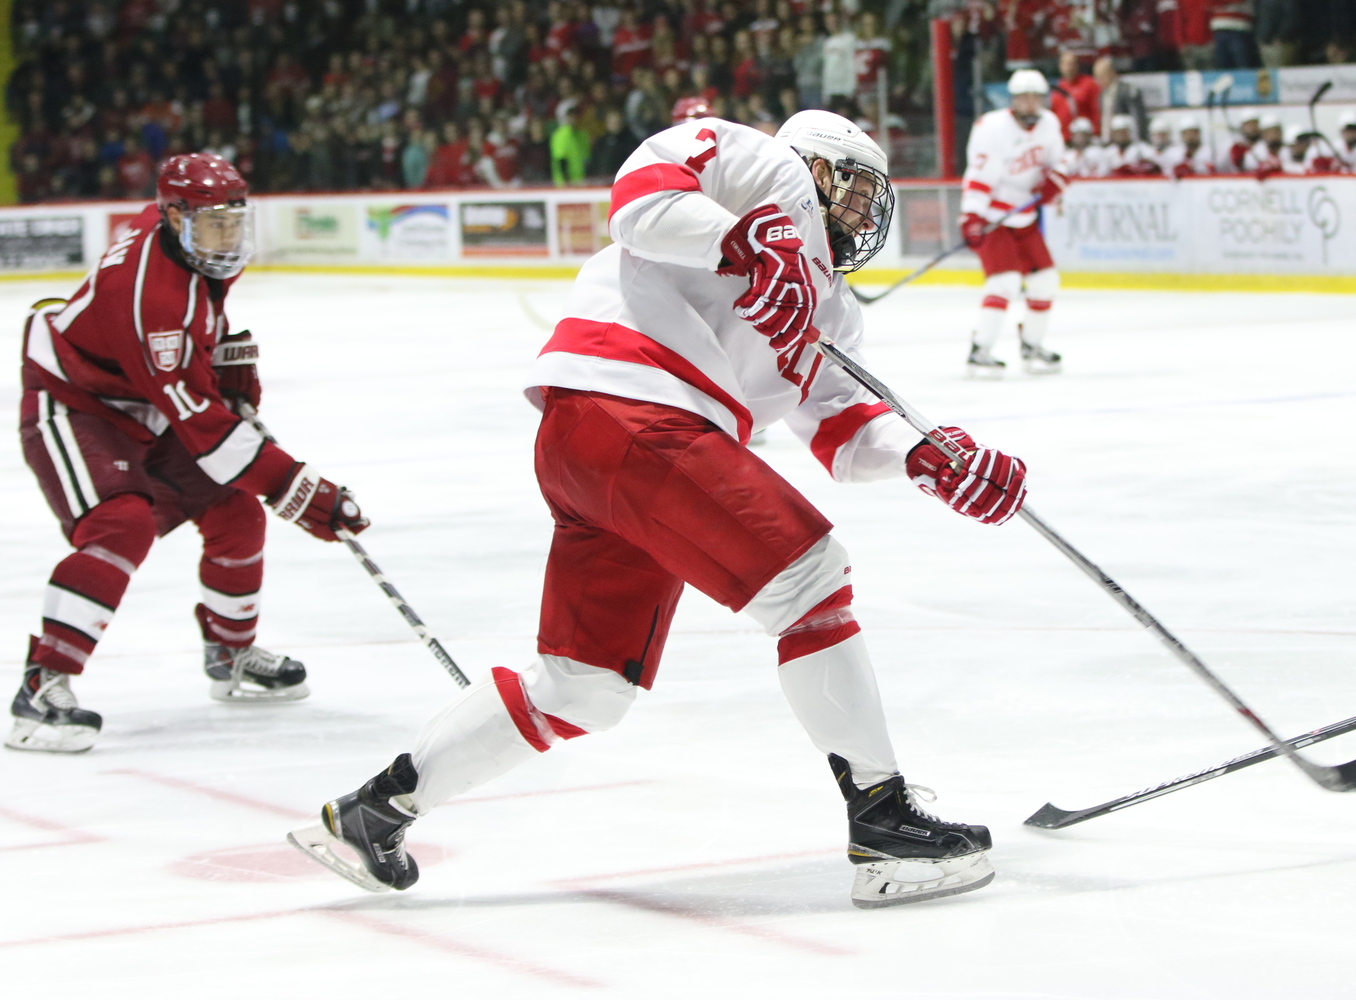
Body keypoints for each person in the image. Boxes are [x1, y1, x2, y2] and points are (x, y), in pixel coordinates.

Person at [290, 110, 1025, 910]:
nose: (860, 217)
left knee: (584, 689)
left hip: (600, 444)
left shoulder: (833, 308)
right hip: (636, 409)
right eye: (853, 192)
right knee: (809, 580)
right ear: (816, 168)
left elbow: (844, 428)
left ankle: (374, 810)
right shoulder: (757, 166)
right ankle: (883, 824)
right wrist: (743, 239)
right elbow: (639, 196)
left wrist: (930, 459)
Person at [10, 154, 369, 753]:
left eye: (233, 222)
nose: (226, 239)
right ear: (174, 216)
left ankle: (230, 653)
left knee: (235, 510)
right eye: (211, 225)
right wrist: (299, 490)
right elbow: (203, 426)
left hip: (141, 401)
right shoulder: (150, 298)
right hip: (74, 402)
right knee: (120, 524)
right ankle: (42, 686)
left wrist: (226, 366)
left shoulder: (181, 244)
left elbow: (195, 360)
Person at [959, 69, 1067, 378]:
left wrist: (1055, 181)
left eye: (1036, 98)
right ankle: (980, 350)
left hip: (1025, 216)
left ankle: (1032, 345)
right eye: (1024, 98)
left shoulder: (1049, 125)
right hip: (994, 216)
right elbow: (978, 177)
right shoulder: (992, 128)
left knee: (1046, 281)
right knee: (1004, 283)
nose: (1031, 104)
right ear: (1013, 100)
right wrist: (972, 216)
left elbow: (1059, 162)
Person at [1095, 56, 1148, 142]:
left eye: (1102, 76)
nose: (1099, 80)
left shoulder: (1127, 91)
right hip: (1108, 141)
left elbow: (1138, 118)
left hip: (1128, 141)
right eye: (1097, 77)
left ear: (1112, 72)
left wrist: (1140, 140)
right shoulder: (1101, 96)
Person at [1051, 49, 1101, 136]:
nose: (1069, 68)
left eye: (1072, 64)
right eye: (1066, 64)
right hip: (1063, 137)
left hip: (1084, 137)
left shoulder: (1089, 84)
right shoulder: (1057, 88)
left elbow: (1096, 110)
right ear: (1060, 66)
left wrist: (1096, 132)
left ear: (1077, 65)